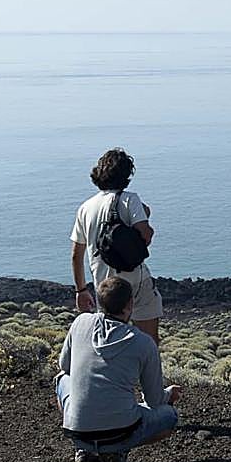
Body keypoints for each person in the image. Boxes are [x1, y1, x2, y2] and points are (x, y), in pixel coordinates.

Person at [55, 276, 181, 462]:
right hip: (122, 433)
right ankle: (115, 452)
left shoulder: (81, 322)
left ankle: (84, 451)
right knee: (169, 416)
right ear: (130, 304)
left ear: (99, 302)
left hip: (77, 431)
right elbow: (154, 400)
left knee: (61, 378)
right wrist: (169, 394)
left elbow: (65, 366)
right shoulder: (143, 342)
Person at [71, 147, 164, 344]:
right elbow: (145, 235)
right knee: (148, 342)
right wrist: (145, 215)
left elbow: (76, 255)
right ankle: (146, 373)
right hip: (135, 282)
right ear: (127, 174)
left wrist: (81, 290)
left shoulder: (85, 208)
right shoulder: (130, 199)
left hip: (104, 286)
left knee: (110, 343)